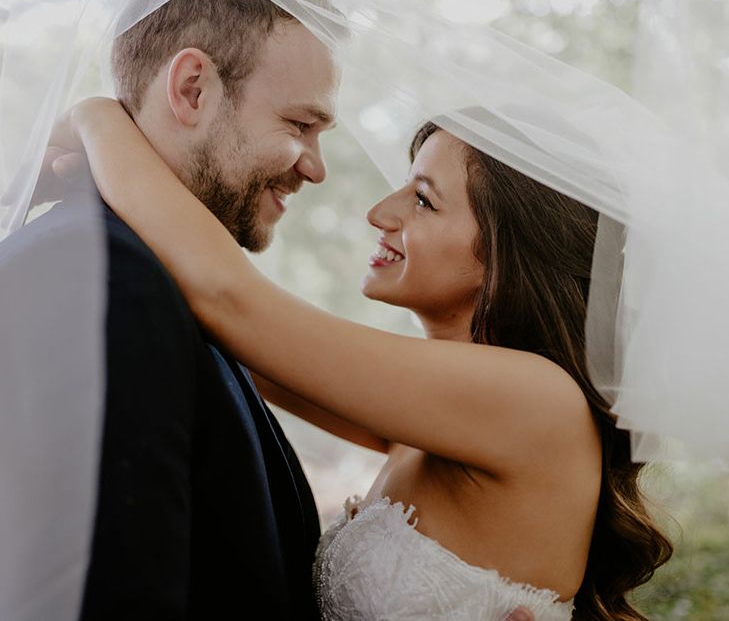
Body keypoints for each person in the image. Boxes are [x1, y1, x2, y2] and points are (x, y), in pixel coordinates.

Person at [50, 88, 673, 619]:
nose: (380, 212)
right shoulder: (430, 423)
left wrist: (96, 115)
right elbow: (228, 331)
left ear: (508, 250)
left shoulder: (533, 399)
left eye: (424, 199)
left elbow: (227, 299)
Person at [3, 0, 340, 620]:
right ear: (192, 89)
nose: (315, 167)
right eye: (300, 123)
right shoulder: (97, 277)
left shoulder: (163, 275)